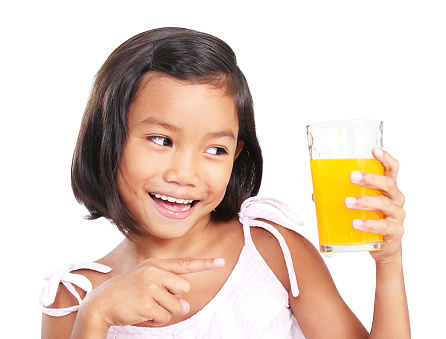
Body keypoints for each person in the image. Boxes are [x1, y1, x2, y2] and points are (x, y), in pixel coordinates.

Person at [40, 27, 410, 338]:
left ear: (236, 155)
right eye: (162, 140)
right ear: (108, 138)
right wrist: (96, 315)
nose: (185, 174)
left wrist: (389, 264)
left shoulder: (272, 252)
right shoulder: (74, 296)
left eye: (215, 149)